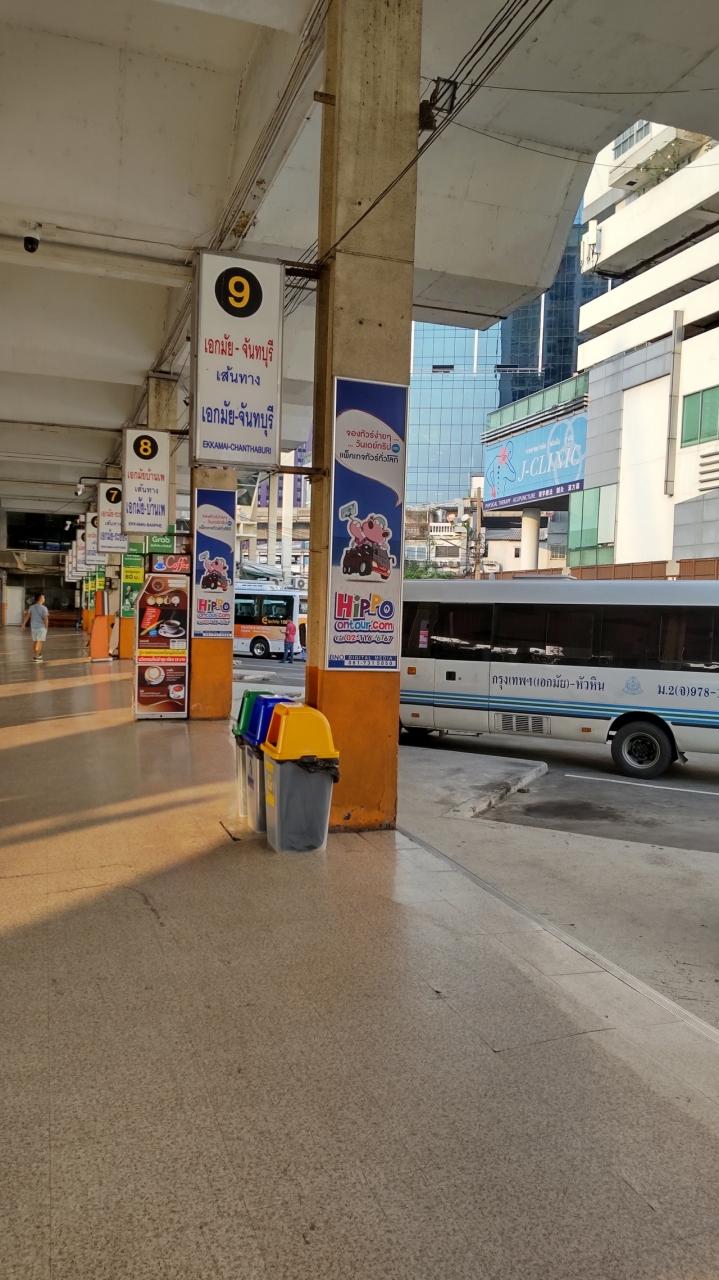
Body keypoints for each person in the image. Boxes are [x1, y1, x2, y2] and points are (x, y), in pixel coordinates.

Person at [23, 591, 49, 662]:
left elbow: (27, 616)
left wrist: (23, 624)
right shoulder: (44, 608)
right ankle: (36, 657)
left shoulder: (31, 607)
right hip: (41, 627)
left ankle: (38, 655)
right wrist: (46, 627)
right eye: (43, 598)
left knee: (35, 642)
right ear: (40, 598)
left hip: (33, 627)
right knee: (39, 642)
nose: (44, 599)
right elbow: (46, 619)